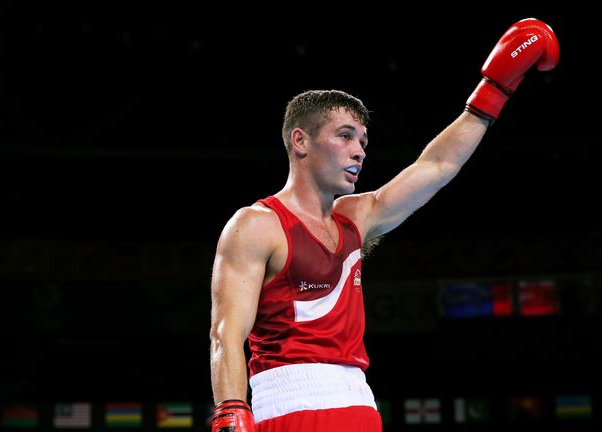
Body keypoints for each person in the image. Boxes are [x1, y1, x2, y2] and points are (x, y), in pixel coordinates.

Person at [209, 17, 559, 432]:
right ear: (300, 141)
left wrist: (494, 89)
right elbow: (225, 333)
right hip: (288, 402)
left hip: (359, 405)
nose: (358, 151)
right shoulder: (256, 225)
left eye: (362, 142)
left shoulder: (358, 216)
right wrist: (231, 409)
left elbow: (438, 165)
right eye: (344, 136)